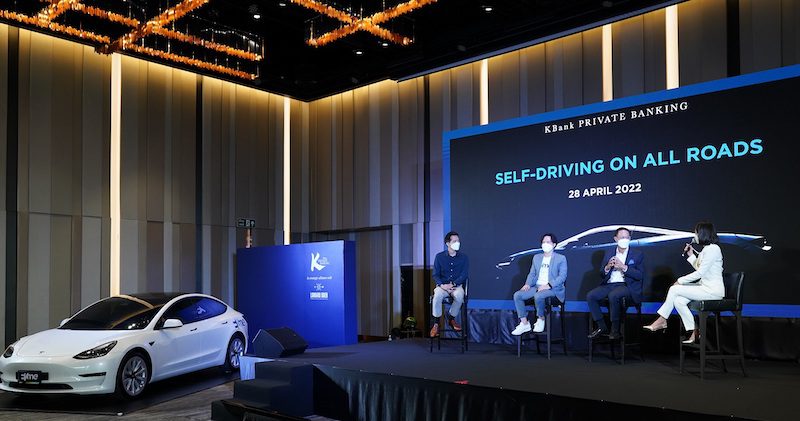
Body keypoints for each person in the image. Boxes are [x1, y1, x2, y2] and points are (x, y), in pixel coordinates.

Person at [643, 222, 725, 343]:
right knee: (678, 301)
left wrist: (679, 281)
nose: (695, 235)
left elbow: (700, 273)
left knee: (674, 289)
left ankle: (662, 319)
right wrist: (691, 255)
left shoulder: (713, 249)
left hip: (712, 291)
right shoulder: (707, 249)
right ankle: (694, 331)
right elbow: (700, 268)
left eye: (696, 232)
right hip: (704, 287)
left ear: (703, 233)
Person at [587, 227, 645, 340]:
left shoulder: (637, 254)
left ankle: (615, 329)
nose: (624, 240)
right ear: (615, 239)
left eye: (627, 237)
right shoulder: (609, 253)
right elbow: (602, 274)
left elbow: (640, 275)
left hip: (626, 286)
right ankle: (602, 326)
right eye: (622, 237)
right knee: (591, 296)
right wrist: (607, 267)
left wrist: (624, 267)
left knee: (614, 295)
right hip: (610, 284)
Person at [511, 234, 568, 335]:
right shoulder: (537, 257)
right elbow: (532, 273)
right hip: (537, 286)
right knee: (518, 295)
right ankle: (524, 323)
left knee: (538, 296)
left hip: (553, 289)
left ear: (554, 244)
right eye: (543, 242)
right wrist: (528, 284)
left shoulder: (561, 258)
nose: (545, 244)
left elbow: (562, 277)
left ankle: (541, 319)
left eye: (548, 242)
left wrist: (549, 285)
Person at [430, 231, 469, 337]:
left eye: (458, 241)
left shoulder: (464, 257)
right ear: (448, 243)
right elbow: (435, 275)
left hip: (456, 286)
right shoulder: (439, 257)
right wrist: (442, 285)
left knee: (460, 296)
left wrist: (454, 284)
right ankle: (436, 323)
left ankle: (451, 318)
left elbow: (464, 274)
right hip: (442, 286)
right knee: (437, 296)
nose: (457, 243)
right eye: (454, 241)